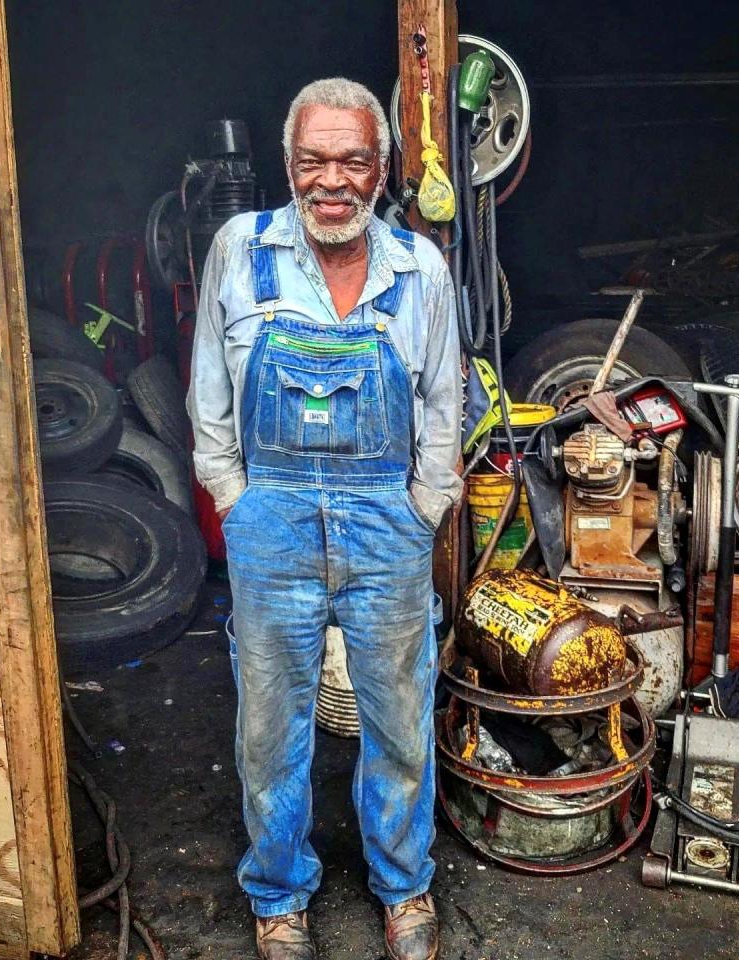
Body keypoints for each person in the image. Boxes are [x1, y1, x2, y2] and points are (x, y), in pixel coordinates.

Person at [187, 77, 461, 960]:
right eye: (313, 160)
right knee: (271, 728)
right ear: (288, 164)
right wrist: (234, 498)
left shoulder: (420, 268)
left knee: (399, 721)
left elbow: (444, 407)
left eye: (352, 160)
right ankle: (277, 894)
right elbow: (209, 397)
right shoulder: (240, 248)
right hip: (271, 522)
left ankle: (404, 887)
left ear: (380, 169)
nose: (331, 180)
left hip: (388, 524)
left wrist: (423, 509)